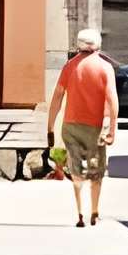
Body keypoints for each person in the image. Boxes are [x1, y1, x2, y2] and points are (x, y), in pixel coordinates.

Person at [46, 28, 118, 228]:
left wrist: (50, 127)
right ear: (98, 44)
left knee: (76, 171)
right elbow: (113, 101)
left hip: (71, 126)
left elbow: (57, 98)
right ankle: (94, 211)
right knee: (95, 171)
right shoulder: (105, 68)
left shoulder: (70, 67)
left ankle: (79, 213)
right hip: (95, 129)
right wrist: (112, 129)